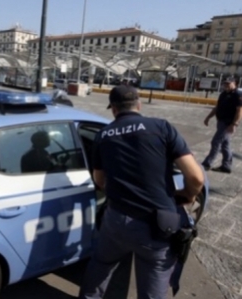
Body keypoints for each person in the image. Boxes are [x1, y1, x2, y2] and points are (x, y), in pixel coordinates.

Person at [78, 85, 205, 299]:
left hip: (116, 220)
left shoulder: (103, 135)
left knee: (101, 265)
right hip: (157, 226)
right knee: (152, 286)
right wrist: (189, 195)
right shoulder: (161, 127)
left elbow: (99, 180)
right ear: (139, 104)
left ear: (113, 109)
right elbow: (196, 177)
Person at [201, 78, 242, 174]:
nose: (226, 85)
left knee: (215, 142)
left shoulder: (238, 95)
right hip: (221, 122)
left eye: (229, 83)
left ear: (234, 83)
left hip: (228, 124)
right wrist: (208, 117)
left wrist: (234, 124)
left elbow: (241, 110)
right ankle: (226, 166)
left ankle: (207, 164)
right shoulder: (223, 94)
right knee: (225, 145)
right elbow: (217, 107)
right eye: (225, 83)